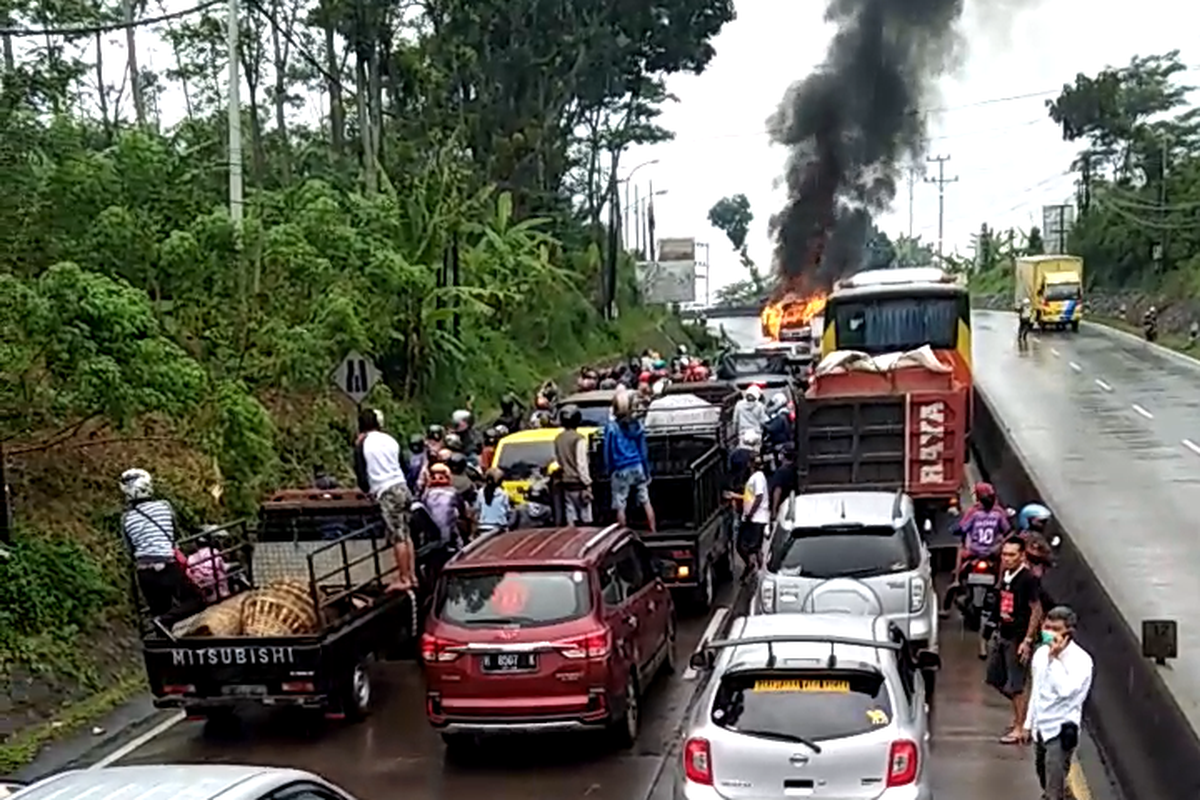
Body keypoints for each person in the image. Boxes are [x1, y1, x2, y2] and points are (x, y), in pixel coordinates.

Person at [1024, 606, 1094, 799]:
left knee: (1052, 789)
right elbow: (1036, 690)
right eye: (1047, 627)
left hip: (1060, 730)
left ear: (1068, 633)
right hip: (1041, 729)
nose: (1049, 633)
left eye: (1055, 629)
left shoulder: (1081, 661)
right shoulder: (1040, 655)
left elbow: (1066, 690)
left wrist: (1054, 660)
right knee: (1044, 778)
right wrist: (1028, 724)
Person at [119, 468, 202, 620]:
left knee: (160, 609)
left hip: (145, 572)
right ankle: (164, 620)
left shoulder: (126, 519)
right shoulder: (164, 506)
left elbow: (130, 549)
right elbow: (174, 534)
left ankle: (161, 623)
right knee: (195, 601)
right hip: (168, 566)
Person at [987, 536, 1045, 745]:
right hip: (1003, 633)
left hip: (1018, 638)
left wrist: (1028, 639)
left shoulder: (1028, 579)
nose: (1007, 559)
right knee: (996, 678)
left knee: (1017, 685)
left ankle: (1021, 727)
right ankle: (1023, 715)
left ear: (1021, 556)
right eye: (1004, 554)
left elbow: (1036, 610)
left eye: (1012, 555)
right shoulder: (1006, 575)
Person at [354, 408, 416, 591]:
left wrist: (368, 490)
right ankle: (412, 575)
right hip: (402, 487)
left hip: (387, 492)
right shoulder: (390, 439)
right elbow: (405, 466)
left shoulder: (362, 444)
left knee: (398, 536)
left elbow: (361, 475)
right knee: (406, 533)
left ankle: (404, 578)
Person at [603, 389, 656, 533]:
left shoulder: (611, 428)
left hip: (620, 469)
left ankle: (623, 534)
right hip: (637, 465)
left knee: (620, 504)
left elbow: (607, 450)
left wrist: (608, 469)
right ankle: (653, 530)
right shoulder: (637, 426)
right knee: (645, 500)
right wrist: (646, 470)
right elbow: (643, 450)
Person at [554, 404, 593, 525]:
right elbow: (582, 464)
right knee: (585, 517)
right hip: (579, 483)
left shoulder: (558, 439)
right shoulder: (579, 439)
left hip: (566, 482)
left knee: (570, 515)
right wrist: (587, 483)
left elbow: (559, 460)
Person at [738, 453, 770, 582]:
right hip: (751, 517)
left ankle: (761, 573)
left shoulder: (758, 477)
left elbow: (759, 496)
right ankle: (752, 567)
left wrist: (751, 513)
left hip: (757, 518)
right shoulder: (754, 477)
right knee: (747, 546)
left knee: (753, 547)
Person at [476, 469, 512, 534]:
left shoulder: (480, 492)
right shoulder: (503, 494)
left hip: (483, 527)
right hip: (499, 527)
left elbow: (477, 509)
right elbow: (507, 511)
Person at [769, 444, 797, 516]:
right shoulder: (794, 469)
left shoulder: (781, 471)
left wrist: (774, 510)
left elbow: (777, 491)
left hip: (782, 506)